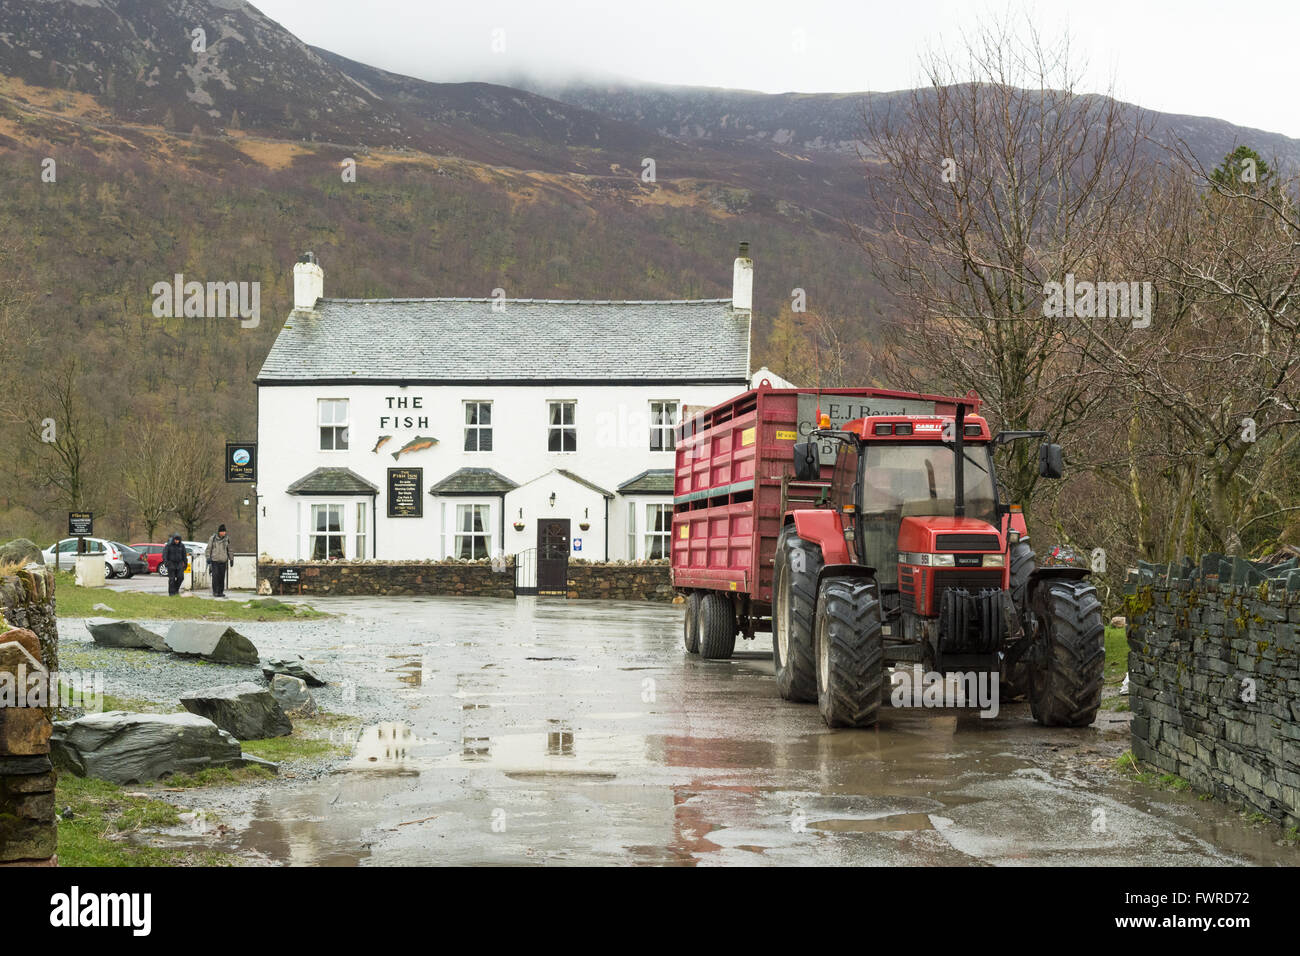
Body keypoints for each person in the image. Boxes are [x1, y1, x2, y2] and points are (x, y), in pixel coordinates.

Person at [207, 524, 233, 598]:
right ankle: (215, 591)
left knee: (222, 577)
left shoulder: (227, 539)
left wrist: (231, 559)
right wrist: (208, 558)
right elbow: (209, 549)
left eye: (224, 531)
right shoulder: (212, 538)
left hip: (223, 561)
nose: (223, 533)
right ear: (219, 532)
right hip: (214, 561)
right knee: (215, 577)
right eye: (222, 531)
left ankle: (220, 592)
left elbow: (230, 550)